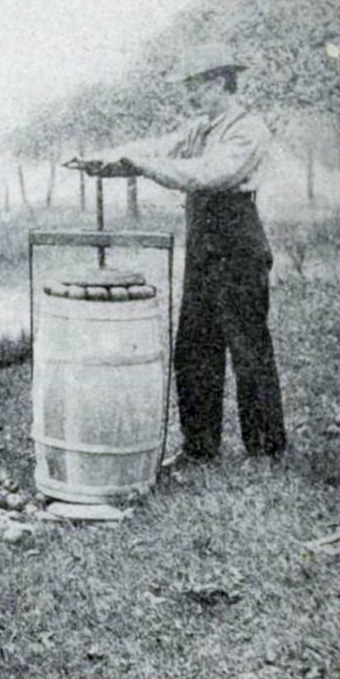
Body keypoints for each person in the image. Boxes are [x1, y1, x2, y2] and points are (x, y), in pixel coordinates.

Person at [82, 43, 287, 461]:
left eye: (196, 85)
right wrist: (105, 161)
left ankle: (266, 449)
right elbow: (158, 148)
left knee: (247, 346)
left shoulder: (248, 129)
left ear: (221, 82)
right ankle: (199, 447)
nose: (191, 94)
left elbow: (207, 175)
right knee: (194, 347)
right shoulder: (200, 129)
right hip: (203, 246)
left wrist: (139, 164)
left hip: (237, 243)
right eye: (189, 86)